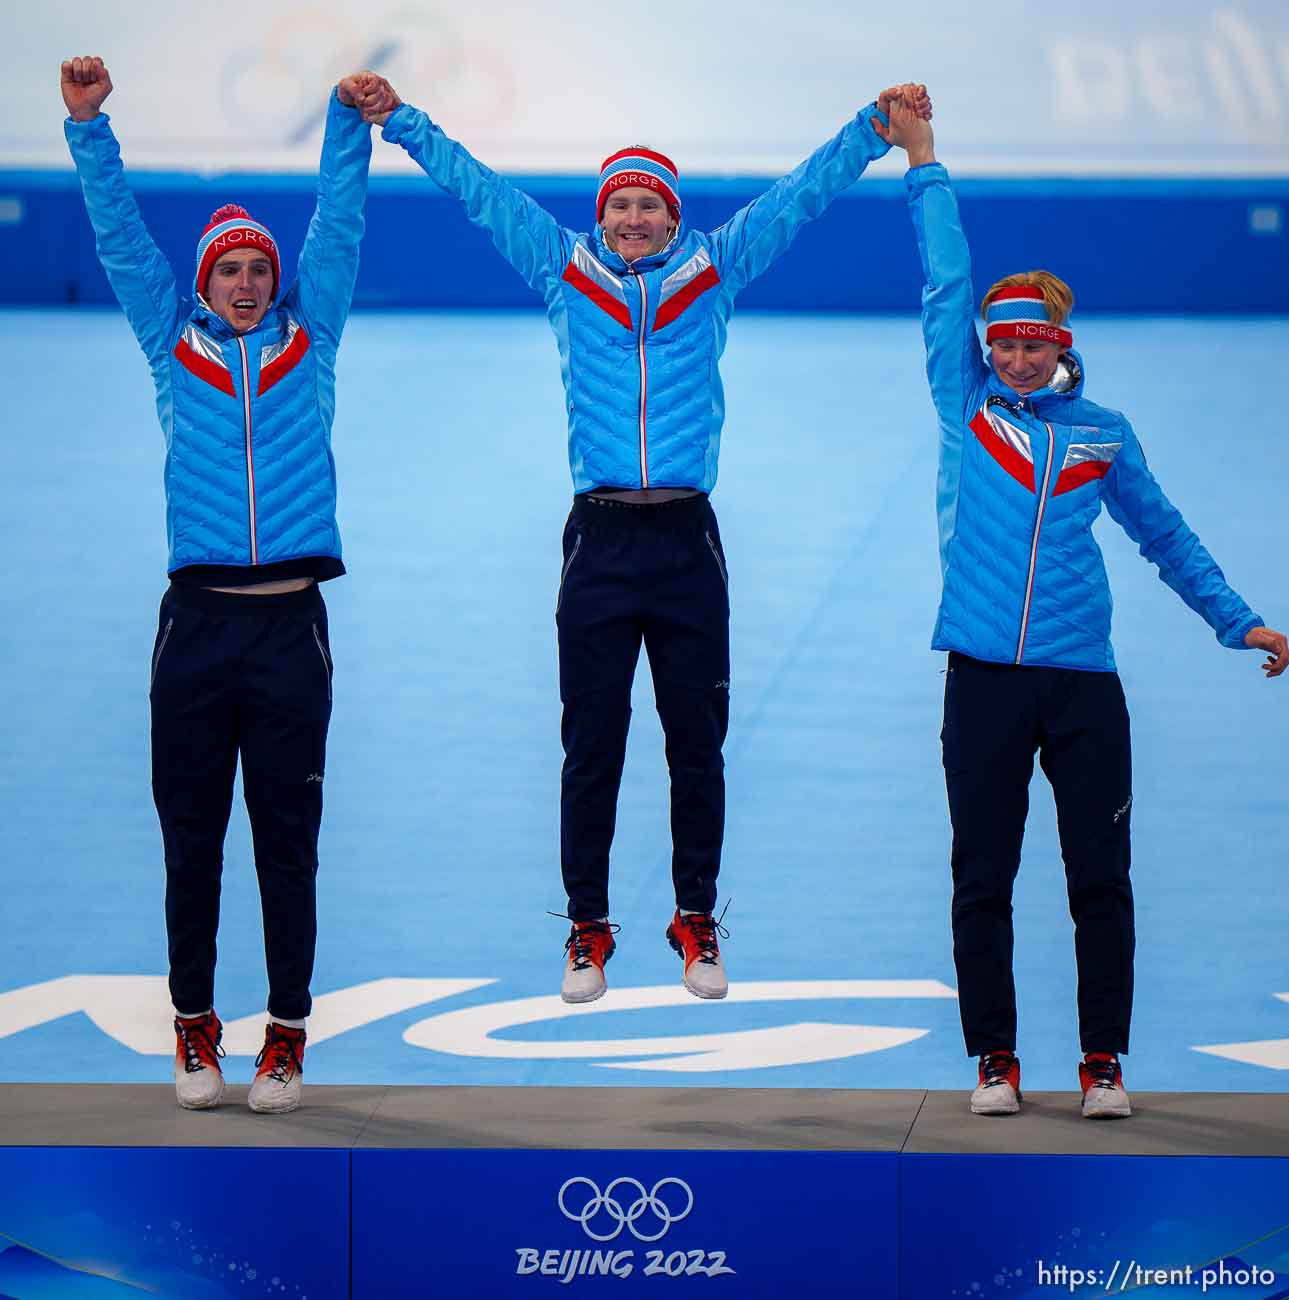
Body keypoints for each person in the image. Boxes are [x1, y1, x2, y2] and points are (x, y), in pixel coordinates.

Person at [352, 74, 931, 1004]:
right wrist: (401, 122)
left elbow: (799, 198)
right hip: (600, 541)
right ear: (600, 215)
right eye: (617, 205)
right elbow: (478, 191)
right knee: (593, 744)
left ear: (671, 217)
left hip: (685, 542)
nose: (630, 220)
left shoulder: (714, 269)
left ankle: (694, 916)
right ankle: (587, 926)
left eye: (647, 206)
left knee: (696, 741)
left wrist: (871, 128)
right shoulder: (561, 268)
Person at [875, 96, 1287, 1118]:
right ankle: (993, 1060)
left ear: (1060, 345)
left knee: (1097, 877)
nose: (1014, 358)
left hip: (1080, 686)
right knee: (982, 879)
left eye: (1032, 345)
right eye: (1000, 343)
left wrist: (1239, 619)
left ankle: (1101, 1060)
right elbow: (941, 284)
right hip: (980, 680)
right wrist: (921, 157)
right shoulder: (964, 410)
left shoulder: (1101, 433)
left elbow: (1164, 536)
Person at [61, 56, 379, 1113]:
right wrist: (88, 125)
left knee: (287, 843)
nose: (245, 282)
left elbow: (339, 221)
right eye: (227, 271)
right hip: (194, 629)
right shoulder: (170, 346)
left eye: (257, 269)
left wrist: (344, 120)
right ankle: (193, 1028)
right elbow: (118, 239)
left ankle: (285, 1035)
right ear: (202, 286)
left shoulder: (311, 338)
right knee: (191, 839)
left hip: (291, 629)